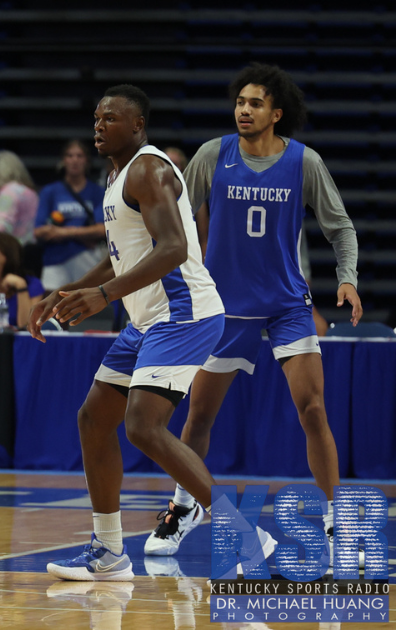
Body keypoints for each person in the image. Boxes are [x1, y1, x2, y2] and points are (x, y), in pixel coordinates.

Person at [149, 63, 361, 559]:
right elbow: (173, 218)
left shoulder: (304, 162)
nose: (244, 110)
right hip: (225, 306)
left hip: (287, 304)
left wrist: (346, 278)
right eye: (240, 102)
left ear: (276, 113)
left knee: (313, 409)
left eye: (256, 103)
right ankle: (184, 508)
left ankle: (333, 518)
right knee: (198, 416)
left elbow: (341, 228)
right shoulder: (212, 155)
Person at [30, 85, 228, 582]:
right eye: (96, 118)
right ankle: (109, 552)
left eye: (111, 119)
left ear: (138, 125)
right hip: (149, 319)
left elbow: (174, 249)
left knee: (142, 425)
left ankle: (243, 533)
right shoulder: (117, 177)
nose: (99, 126)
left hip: (185, 312)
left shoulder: (148, 167)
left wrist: (104, 296)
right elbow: (124, 252)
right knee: (95, 419)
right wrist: (70, 289)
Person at [33, 140, 107, 292]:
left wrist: (62, 232)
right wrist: (83, 233)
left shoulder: (97, 192)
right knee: (52, 307)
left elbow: (102, 229)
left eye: (79, 156)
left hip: (86, 257)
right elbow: (38, 230)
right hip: (55, 258)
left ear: (86, 161)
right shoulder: (50, 192)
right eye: (70, 156)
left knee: (87, 305)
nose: (75, 160)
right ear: (63, 160)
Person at [0, 150, 38, 245]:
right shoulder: (30, 193)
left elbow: (1, 229)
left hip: (9, 254)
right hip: (27, 250)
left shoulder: (8, 192)